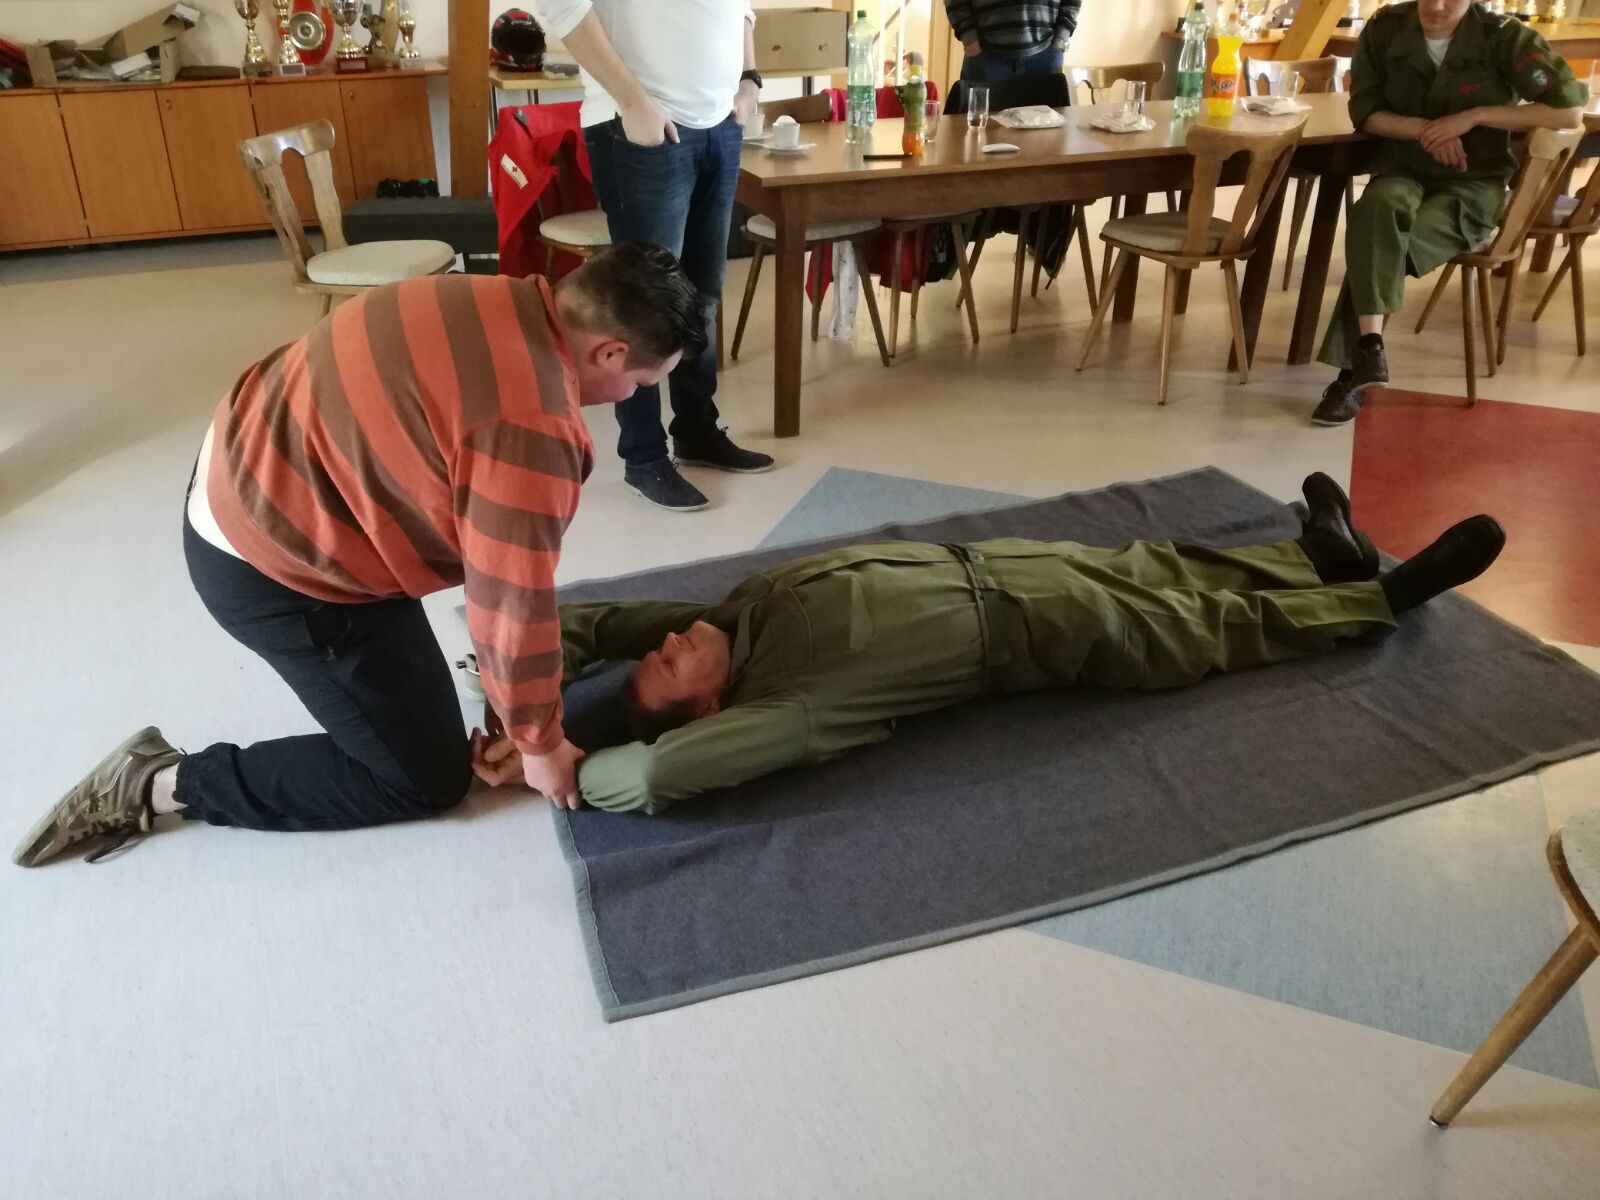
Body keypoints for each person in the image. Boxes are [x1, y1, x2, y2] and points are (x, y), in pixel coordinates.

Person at [14, 244, 707, 868]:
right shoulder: (533, 428)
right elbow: (509, 605)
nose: (631, 397)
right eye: (643, 383)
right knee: (423, 778)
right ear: (609, 352)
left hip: (241, 461)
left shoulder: (475, 291)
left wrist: (516, 709)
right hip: (274, 568)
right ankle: (161, 783)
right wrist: (541, 745)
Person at [473, 475, 1507, 815]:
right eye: (668, 666)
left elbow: (597, 625)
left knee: (1162, 564)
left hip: (1004, 565)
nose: (670, 637)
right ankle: (1378, 600)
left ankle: (1314, 556)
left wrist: (519, 706)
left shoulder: (735, 619)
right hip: (1031, 633)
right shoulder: (787, 707)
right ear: (704, 708)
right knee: (1195, 624)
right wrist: (566, 772)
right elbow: (662, 773)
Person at [536, 0, 776, 511]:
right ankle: (644, 456)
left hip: (721, 122)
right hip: (643, 122)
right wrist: (633, 101)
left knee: (702, 295)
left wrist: (749, 77)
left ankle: (697, 430)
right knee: (641, 306)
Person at [1310, 0, 1585, 426]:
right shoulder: (1386, 30)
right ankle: (1369, 350)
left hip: (1472, 184)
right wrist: (1429, 131)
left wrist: (1473, 117)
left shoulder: (1503, 37)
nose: (1436, 7)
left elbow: (1568, 110)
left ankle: (1353, 373)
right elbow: (1365, 112)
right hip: (1403, 170)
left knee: (1377, 245)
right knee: (1377, 208)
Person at [947, 0, 1081, 83]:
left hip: (1045, 56)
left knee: (1047, 123)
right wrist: (969, 38)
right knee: (980, 121)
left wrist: (1062, 36)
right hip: (985, 56)